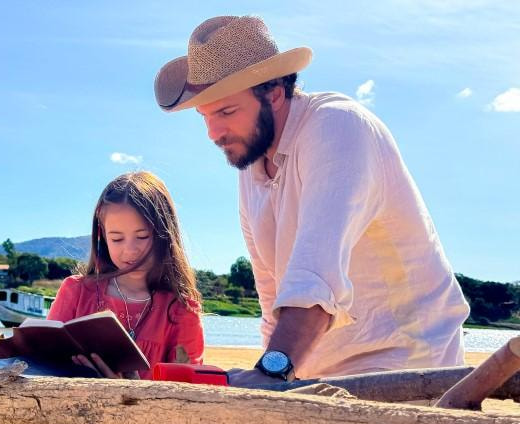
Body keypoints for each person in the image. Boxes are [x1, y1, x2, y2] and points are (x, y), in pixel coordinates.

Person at [154, 15, 470, 386]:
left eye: (226, 112)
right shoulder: (250, 167)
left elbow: (314, 278)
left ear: (273, 93)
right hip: (313, 371)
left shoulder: (338, 126)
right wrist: (272, 374)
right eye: (204, 116)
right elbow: (273, 294)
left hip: (405, 364)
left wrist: (273, 370)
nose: (213, 133)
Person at [47, 171, 204, 379]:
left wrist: (127, 392)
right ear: (103, 237)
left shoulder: (181, 311)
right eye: (117, 239)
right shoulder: (76, 291)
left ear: (165, 234)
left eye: (142, 236)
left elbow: (188, 394)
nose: (130, 251)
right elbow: (43, 363)